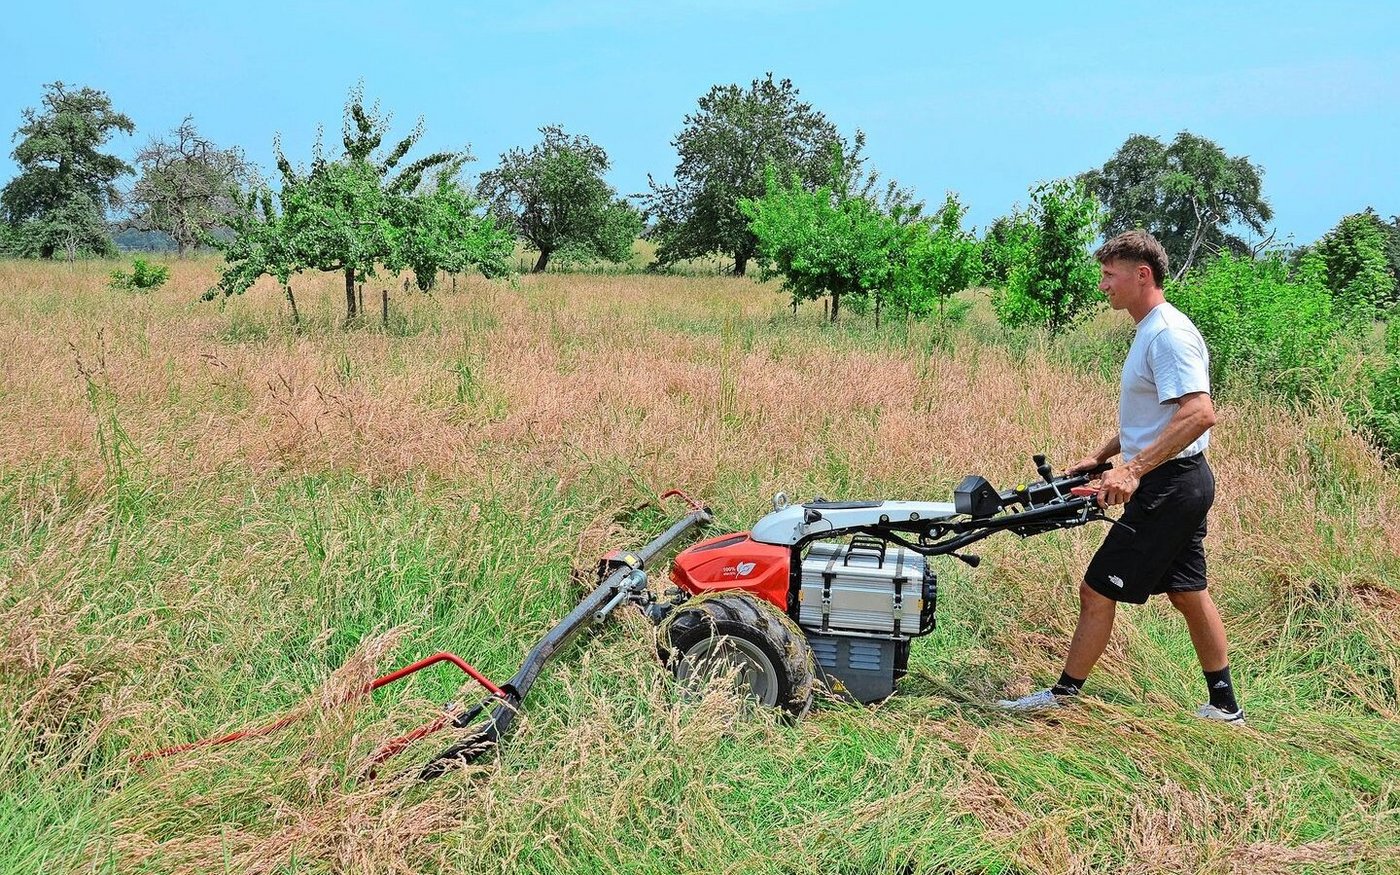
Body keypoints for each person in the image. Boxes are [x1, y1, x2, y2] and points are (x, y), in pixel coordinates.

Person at [998, 230, 1243, 723]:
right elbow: (1155, 417)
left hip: (1171, 485)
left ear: (1142, 274)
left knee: (1096, 589)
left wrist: (1133, 469)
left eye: (1110, 275)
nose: (1103, 286)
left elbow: (1198, 414)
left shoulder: (1167, 334)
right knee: (1188, 591)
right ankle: (1225, 705)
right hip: (1180, 480)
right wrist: (1103, 455)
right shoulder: (1150, 330)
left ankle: (1062, 698)